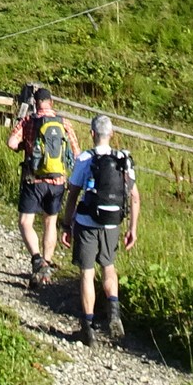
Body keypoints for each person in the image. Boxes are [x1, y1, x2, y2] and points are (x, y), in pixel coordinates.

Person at [66, 114, 140, 342]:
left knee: (87, 273)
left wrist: (66, 224)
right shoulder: (122, 160)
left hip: (87, 222)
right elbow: (135, 197)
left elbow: (73, 193)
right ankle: (114, 314)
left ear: (92, 133)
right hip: (112, 222)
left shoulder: (85, 159)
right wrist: (132, 228)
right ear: (112, 134)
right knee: (108, 267)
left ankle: (87, 328)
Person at [6, 85, 76, 284]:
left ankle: (37, 260)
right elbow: (77, 153)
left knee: (25, 222)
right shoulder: (64, 123)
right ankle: (46, 265)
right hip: (58, 182)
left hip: (34, 180)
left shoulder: (29, 120)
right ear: (51, 102)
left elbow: (11, 143)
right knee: (50, 222)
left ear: (35, 104)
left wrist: (23, 146)